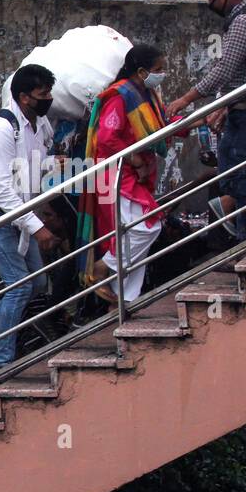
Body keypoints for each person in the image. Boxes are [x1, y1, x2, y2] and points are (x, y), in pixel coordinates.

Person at [0, 63, 60, 367]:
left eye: (49, 92)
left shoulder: (39, 125)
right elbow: (3, 190)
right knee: (19, 286)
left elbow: (31, 169)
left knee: (35, 281)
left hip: (18, 215)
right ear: (23, 97)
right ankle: (3, 361)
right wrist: (37, 227)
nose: (47, 98)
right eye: (41, 94)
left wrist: (54, 166)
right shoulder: (2, 130)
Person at [168, 0, 246, 243]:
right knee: (241, 177)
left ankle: (244, 242)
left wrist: (186, 99)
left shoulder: (245, 20)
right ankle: (244, 245)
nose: (211, 5)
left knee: (232, 180)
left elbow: (225, 69)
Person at [79, 44, 170, 305]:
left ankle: (122, 300)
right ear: (141, 72)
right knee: (145, 227)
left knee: (130, 235)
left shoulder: (147, 95)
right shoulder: (120, 96)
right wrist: (136, 159)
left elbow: (159, 128)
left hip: (132, 175)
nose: (162, 74)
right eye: (158, 70)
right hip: (117, 175)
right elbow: (108, 138)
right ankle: (102, 267)